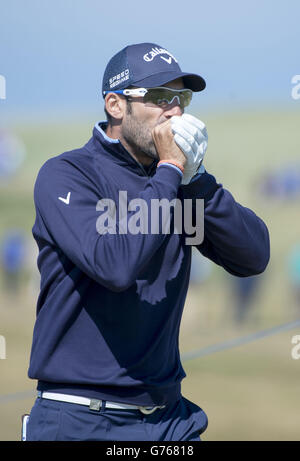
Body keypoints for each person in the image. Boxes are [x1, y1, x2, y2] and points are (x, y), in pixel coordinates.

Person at [26, 42, 270, 441]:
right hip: (80, 415)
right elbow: (114, 265)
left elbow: (253, 256)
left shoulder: (179, 184)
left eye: (181, 97)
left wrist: (198, 179)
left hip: (168, 418)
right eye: (158, 97)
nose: (174, 110)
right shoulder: (67, 175)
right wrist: (172, 170)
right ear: (115, 105)